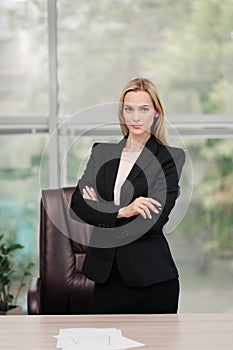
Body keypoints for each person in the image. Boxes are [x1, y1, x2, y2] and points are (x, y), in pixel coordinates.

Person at [70, 77, 185, 314]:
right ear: (122, 113)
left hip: (152, 280)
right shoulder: (102, 153)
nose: (136, 117)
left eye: (144, 109)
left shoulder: (169, 158)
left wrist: (101, 207)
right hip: (106, 277)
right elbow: (77, 206)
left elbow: (154, 220)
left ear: (156, 113)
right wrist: (124, 210)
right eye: (129, 109)